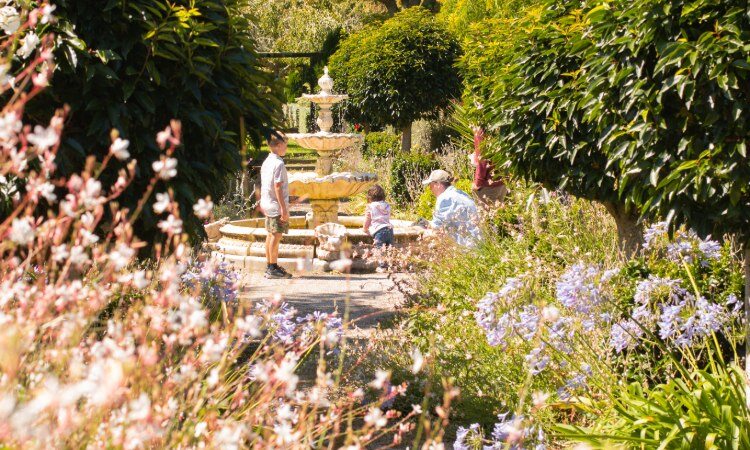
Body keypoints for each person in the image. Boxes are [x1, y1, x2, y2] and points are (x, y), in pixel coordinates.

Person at [260, 131, 292, 279]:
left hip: (267, 203)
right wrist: (283, 209)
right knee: (276, 235)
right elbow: (277, 186)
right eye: (285, 145)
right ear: (279, 145)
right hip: (275, 205)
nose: (287, 148)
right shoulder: (278, 163)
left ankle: (270, 265)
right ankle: (272, 268)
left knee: (270, 235)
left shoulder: (267, 161)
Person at [422, 169, 481, 247]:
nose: (430, 189)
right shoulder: (460, 193)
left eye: (431, 185)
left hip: (468, 246)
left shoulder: (445, 198)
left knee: (428, 237)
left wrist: (422, 224)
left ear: (438, 184)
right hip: (478, 242)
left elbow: (437, 227)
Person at [471, 127, 507, 206]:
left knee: (486, 215)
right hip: (503, 181)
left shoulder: (480, 131)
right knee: (499, 215)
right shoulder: (500, 126)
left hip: (488, 185)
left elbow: (482, 157)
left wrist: (478, 182)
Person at [363, 184, 394, 270]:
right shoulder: (387, 205)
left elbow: (367, 219)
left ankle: (382, 267)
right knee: (389, 249)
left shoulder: (370, 206)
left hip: (379, 231)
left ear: (370, 197)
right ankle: (390, 266)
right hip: (389, 229)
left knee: (379, 249)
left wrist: (365, 229)